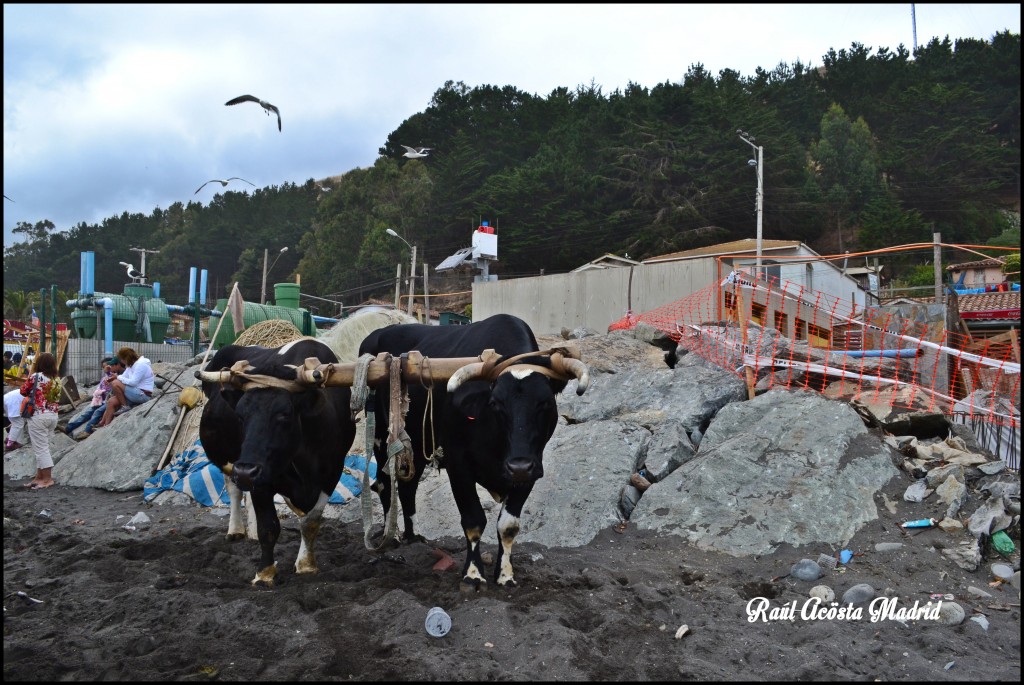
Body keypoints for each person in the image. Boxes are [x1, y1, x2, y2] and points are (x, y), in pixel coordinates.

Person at [20, 351, 62, 489]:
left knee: (41, 448)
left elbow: (23, 391)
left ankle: (47, 479)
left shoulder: (36, 376)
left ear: (39, 364)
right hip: (53, 416)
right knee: (41, 446)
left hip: (38, 415)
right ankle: (38, 478)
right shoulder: (57, 379)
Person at [64, 357, 124, 438]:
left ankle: (87, 431)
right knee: (86, 414)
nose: (105, 369)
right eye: (103, 367)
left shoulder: (117, 376)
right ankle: (68, 428)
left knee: (97, 412)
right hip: (100, 401)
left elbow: (111, 386)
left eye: (108, 367)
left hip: (107, 401)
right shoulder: (105, 378)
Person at [96, 346, 154, 428]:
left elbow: (133, 382)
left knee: (115, 383)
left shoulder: (141, 365)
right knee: (111, 401)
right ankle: (106, 425)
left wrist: (117, 378)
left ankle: (125, 406)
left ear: (125, 358)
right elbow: (123, 377)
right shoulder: (130, 366)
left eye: (121, 359)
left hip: (143, 394)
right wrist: (111, 378)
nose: (122, 362)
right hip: (134, 393)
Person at [4, 386, 30, 451]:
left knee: (16, 423)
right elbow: (29, 403)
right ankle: (10, 443)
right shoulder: (38, 393)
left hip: (8, 399)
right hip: (13, 402)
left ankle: (9, 439)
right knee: (18, 424)